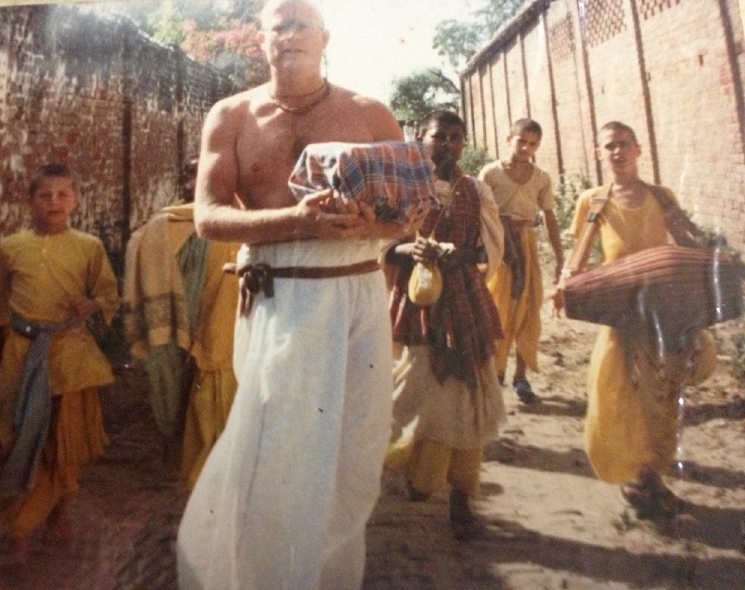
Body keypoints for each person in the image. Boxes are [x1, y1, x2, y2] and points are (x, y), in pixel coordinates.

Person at [176, 1, 426, 588]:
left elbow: (408, 218)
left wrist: (372, 224)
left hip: (358, 297)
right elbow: (208, 219)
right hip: (279, 296)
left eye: (302, 27)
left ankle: (326, 576)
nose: (289, 38)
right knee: (277, 449)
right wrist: (297, 223)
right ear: (260, 42)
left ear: (325, 38)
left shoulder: (369, 113)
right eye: (277, 28)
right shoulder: (231, 115)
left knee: (354, 449)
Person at [551, 121, 718, 518]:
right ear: (599, 154)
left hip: (664, 314)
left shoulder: (661, 196)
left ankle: (651, 478)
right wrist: (564, 284)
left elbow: (688, 246)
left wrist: (715, 267)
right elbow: (580, 256)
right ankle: (638, 478)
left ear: (639, 149)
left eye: (624, 144)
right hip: (621, 312)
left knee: (661, 399)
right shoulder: (594, 201)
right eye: (609, 146)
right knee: (620, 397)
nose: (618, 152)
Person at [384, 110, 505, 540]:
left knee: (468, 396)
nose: (447, 145)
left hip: (464, 300)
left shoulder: (477, 191)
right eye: (440, 137)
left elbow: (490, 251)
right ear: (421, 137)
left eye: (456, 138)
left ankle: (462, 499)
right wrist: (408, 252)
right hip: (415, 302)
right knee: (412, 387)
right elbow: (382, 245)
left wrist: (461, 256)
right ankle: (420, 474)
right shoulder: (401, 186)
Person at [0, 163, 119, 564]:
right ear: (30, 200)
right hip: (19, 355)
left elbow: (107, 294)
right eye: (45, 195)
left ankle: (31, 525)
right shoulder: (10, 247)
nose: (54, 202)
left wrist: (92, 305)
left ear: (76, 200)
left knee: (60, 442)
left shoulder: (89, 247)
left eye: (63, 194)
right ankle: (29, 518)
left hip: (69, 356)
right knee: (17, 437)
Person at [122, 157, 240, 489]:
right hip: (183, 322)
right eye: (194, 175)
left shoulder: (247, 221)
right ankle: (178, 450)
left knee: (218, 382)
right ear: (187, 182)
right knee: (176, 387)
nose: (202, 182)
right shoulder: (169, 224)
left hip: (227, 321)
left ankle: (214, 469)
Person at [478, 118, 563, 404]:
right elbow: (478, 212)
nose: (526, 148)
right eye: (521, 141)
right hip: (499, 246)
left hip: (526, 245)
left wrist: (561, 258)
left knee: (528, 309)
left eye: (533, 143)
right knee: (498, 308)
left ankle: (521, 376)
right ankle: (495, 372)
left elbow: (549, 217)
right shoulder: (490, 173)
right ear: (508, 139)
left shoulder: (541, 178)